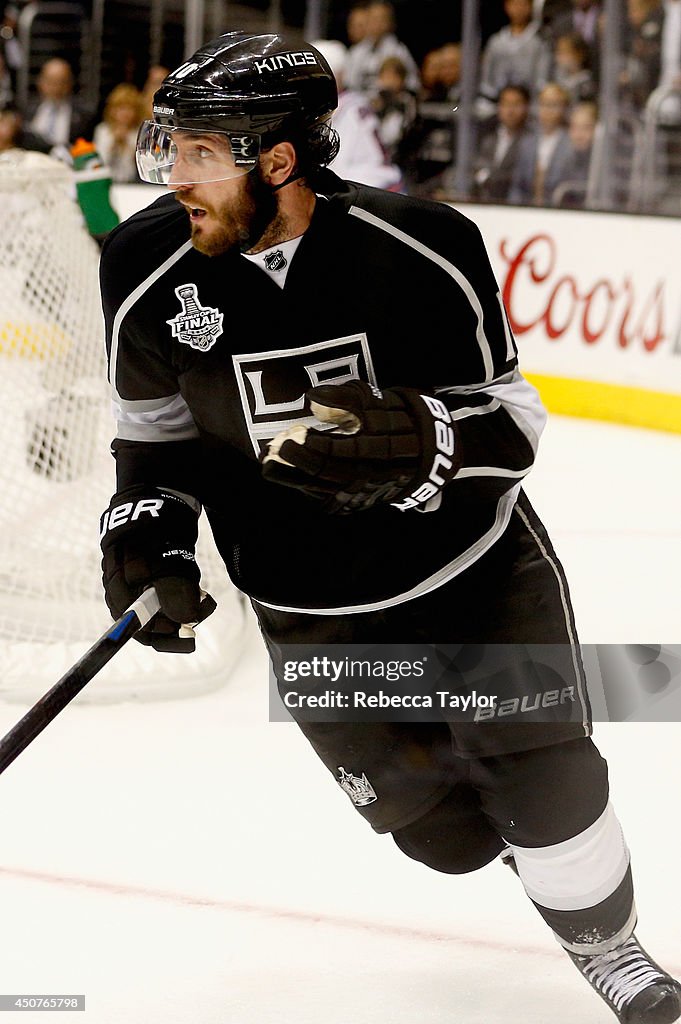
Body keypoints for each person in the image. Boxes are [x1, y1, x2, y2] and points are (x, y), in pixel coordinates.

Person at [98, 31, 681, 1024]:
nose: (173, 174)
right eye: (172, 148)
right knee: (442, 838)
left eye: (199, 151)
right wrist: (147, 537)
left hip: (475, 574)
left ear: (277, 159)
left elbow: (516, 414)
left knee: (548, 781)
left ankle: (611, 950)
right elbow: (153, 440)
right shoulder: (146, 269)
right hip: (310, 608)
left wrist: (426, 440)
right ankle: (509, 838)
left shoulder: (423, 245)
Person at [508, 81, 574, 204]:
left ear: (564, 108)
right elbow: (517, 186)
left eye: (553, 105)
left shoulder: (571, 144)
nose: (548, 110)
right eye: (544, 104)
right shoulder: (526, 143)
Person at [473, 83, 531, 202]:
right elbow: (475, 165)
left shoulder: (530, 139)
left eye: (516, 104)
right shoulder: (487, 135)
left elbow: (520, 177)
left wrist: (489, 177)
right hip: (481, 199)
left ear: (526, 107)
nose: (510, 110)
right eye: (506, 104)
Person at [25, 57, 94, 149]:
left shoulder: (84, 116)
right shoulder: (27, 110)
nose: (56, 88)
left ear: (70, 83)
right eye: (50, 81)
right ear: (40, 82)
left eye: (61, 82)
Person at [93, 83, 143, 182]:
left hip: (133, 184)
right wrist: (114, 143)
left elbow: (139, 167)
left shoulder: (140, 133)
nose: (125, 113)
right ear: (112, 110)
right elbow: (98, 163)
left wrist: (127, 144)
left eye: (130, 108)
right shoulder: (102, 131)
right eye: (120, 108)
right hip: (105, 181)